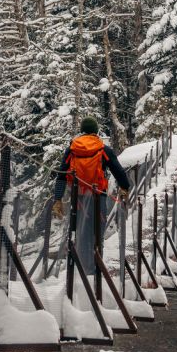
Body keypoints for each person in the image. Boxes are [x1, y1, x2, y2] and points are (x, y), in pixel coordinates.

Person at [52, 116, 131, 274]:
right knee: (97, 232)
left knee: (80, 232)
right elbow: (119, 172)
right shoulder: (103, 149)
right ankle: (96, 270)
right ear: (96, 132)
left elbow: (61, 174)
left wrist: (58, 199)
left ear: (81, 131)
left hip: (79, 198)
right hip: (98, 197)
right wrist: (124, 188)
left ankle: (80, 270)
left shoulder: (73, 149)